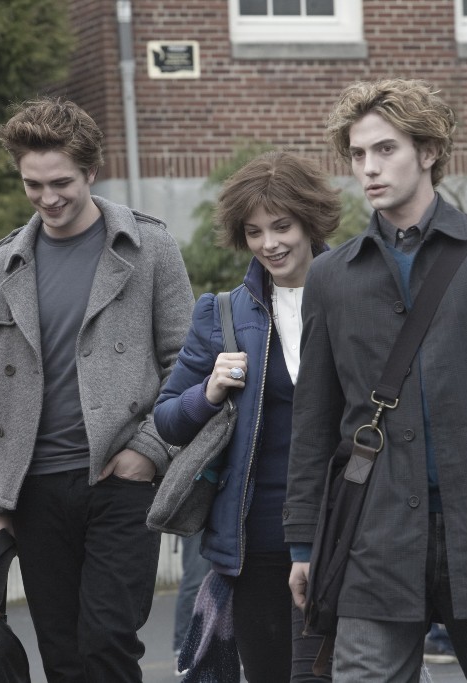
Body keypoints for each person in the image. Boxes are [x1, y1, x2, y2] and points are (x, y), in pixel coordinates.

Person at [285, 77, 467, 682]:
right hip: (373, 535)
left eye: (385, 149)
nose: (369, 168)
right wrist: (303, 544)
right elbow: (314, 422)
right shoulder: (331, 277)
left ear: (429, 151)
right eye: (358, 154)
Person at [0, 96, 195, 682]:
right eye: (33, 185)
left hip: (120, 481)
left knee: (107, 641)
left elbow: (186, 362)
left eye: (61, 183)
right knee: (62, 654)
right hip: (35, 490)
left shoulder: (149, 246)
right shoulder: (4, 265)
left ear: (92, 172)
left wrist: (149, 451)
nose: (48, 198)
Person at [155, 150, 341, 682]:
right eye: (255, 232)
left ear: (310, 221)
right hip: (256, 538)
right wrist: (209, 391)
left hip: (343, 527)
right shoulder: (222, 313)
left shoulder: (357, 295)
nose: (269, 244)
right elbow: (167, 419)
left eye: (282, 226)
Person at [173, 531, 211, 676]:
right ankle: (183, 651)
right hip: (196, 521)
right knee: (195, 581)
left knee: (230, 575)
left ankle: (230, 647)